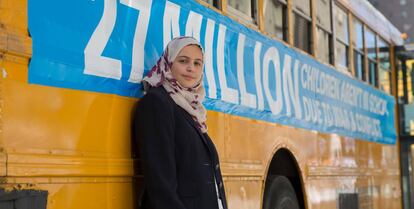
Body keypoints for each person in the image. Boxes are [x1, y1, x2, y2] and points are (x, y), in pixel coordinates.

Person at [133, 36, 227, 209]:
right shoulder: (157, 103)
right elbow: (160, 182)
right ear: (168, 63)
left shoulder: (192, 110)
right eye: (183, 61)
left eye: (197, 63)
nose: (191, 68)